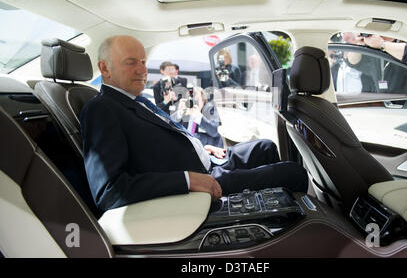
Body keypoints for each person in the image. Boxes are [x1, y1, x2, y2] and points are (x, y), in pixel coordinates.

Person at [80, 35, 308, 212]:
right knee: (293, 173)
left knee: (265, 146)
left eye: (142, 61)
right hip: (196, 182)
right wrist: (187, 180)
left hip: (206, 162)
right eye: (131, 63)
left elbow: (158, 139)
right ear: (104, 68)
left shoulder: (135, 100)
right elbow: (109, 191)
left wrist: (197, 146)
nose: (142, 70)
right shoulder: (101, 109)